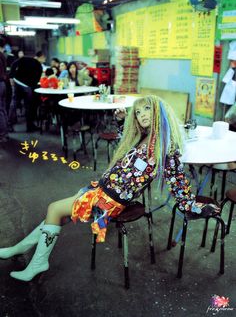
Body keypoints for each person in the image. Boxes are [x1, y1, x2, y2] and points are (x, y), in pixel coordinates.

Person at [0, 95, 220, 281]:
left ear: (160, 113)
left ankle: (38, 263)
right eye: (139, 111)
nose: (142, 114)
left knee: (54, 209)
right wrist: (124, 122)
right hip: (102, 190)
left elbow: (179, 187)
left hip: (109, 201)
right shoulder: (144, 138)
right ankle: (20, 248)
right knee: (60, 216)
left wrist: (197, 207)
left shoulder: (166, 149)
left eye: (148, 109)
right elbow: (130, 160)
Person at [9, 55, 42, 132]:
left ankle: (10, 125)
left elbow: (14, 65)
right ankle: (30, 126)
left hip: (18, 83)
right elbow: (37, 78)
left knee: (14, 104)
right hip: (28, 86)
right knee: (29, 106)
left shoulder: (24, 60)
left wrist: (11, 76)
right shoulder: (38, 65)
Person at [0, 37, 9, 142]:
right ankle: (5, 133)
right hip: (3, 84)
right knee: (2, 109)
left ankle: (2, 135)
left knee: (0, 110)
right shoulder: (3, 55)